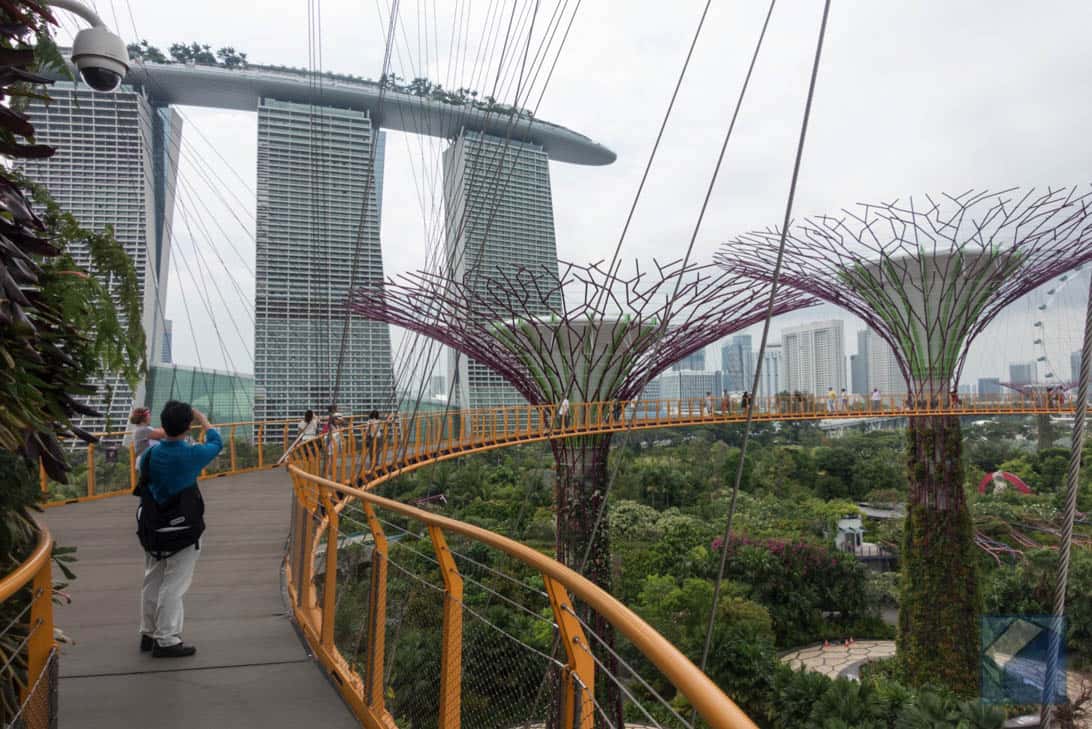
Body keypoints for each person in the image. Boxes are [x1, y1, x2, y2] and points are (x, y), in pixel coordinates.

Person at [136, 401, 222, 658]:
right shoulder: (191, 455)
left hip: (152, 527)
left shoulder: (149, 456)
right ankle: (167, 639)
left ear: (163, 424)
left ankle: (148, 633)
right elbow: (217, 443)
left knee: (153, 577)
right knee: (174, 584)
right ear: (188, 426)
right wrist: (204, 421)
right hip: (183, 530)